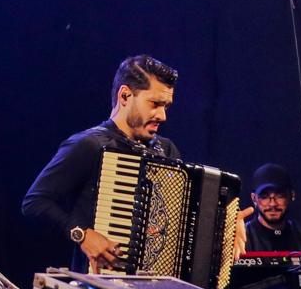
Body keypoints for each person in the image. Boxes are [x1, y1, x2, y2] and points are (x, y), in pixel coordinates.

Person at [21, 55, 182, 272]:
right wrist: (82, 234)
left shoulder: (167, 150)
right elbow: (35, 202)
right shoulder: (89, 145)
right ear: (125, 96)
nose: (162, 116)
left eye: (166, 106)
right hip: (99, 285)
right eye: (155, 104)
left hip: (156, 285)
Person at [245, 163, 301, 253]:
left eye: (279, 196)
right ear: (254, 198)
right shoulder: (241, 239)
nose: (272, 204)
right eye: (265, 197)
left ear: (291, 196)